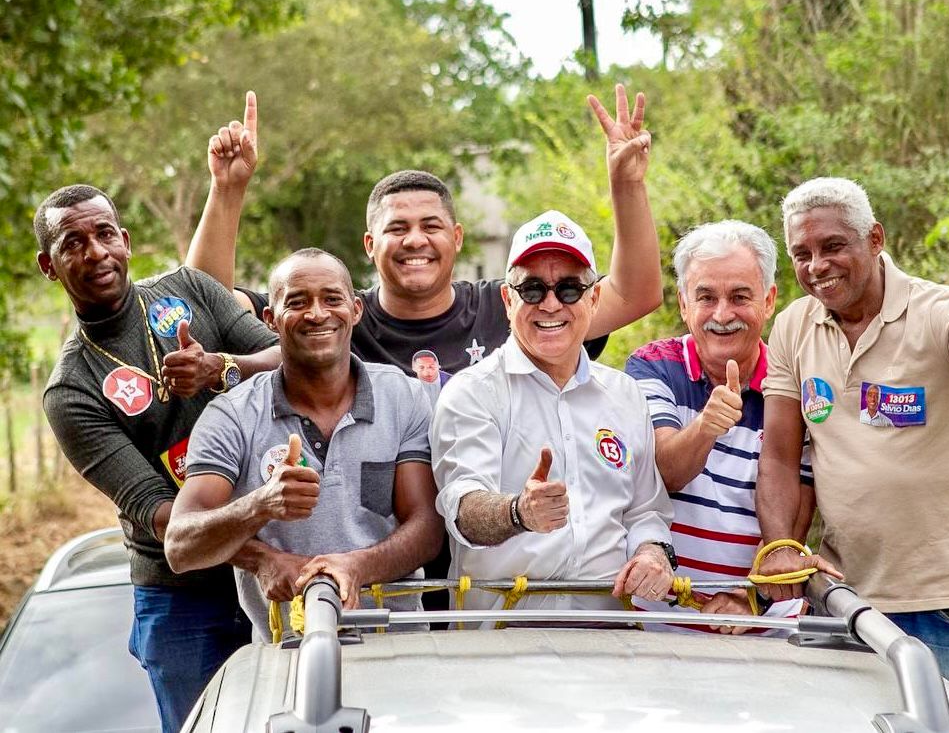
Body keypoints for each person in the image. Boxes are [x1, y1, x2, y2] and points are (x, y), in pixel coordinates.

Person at [756, 177, 949, 699]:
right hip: (845, 598)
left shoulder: (937, 309)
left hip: (939, 602)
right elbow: (779, 458)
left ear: (875, 239)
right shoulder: (793, 326)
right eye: (802, 253)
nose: (817, 266)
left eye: (833, 246)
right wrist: (781, 544)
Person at [185, 86, 663, 378]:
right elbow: (206, 303)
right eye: (398, 228)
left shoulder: (510, 305)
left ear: (456, 238)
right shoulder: (335, 317)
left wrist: (626, 183)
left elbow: (635, 293)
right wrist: (227, 190)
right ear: (370, 245)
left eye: (430, 226)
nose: (416, 240)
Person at [36, 184, 281, 733]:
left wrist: (222, 367)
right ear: (49, 266)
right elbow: (160, 511)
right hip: (184, 599)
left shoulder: (190, 290)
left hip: (284, 559)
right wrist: (264, 558)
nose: (95, 252)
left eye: (103, 234)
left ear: (124, 240)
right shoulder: (71, 391)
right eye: (72, 243)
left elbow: (288, 360)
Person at [165, 249, 443, 641]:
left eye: (332, 299)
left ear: (356, 309)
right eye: (297, 302)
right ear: (270, 319)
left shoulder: (405, 397)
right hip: (287, 657)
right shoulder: (232, 414)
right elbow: (180, 545)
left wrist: (356, 567)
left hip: (399, 651)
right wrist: (260, 507)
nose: (316, 313)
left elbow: (428, 527)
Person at [430, 211, 675, 616]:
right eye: (531, 289)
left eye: (568, 289)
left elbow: (646, 512)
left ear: (594, 298)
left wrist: (653, 555)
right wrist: (518, 512)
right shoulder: (472, 393)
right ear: (508, 300)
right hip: (507, 643)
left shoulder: (624, 393)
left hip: (611, 640)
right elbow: (463, 509)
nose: (549, 304)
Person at [625, 221, 819, 632]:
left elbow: (797, 507)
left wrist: (750, 596)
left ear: (768, 301)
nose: (722, 315)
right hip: (658, 619)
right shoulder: (652, 365)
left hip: (759, 619)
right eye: (706, 297)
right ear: (682, 303)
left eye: (740, 297)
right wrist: (707, 427)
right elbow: (663, 474)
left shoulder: (795, 382)